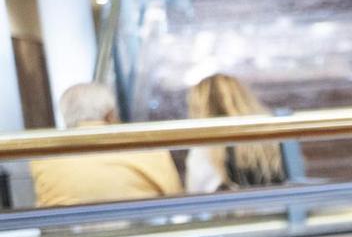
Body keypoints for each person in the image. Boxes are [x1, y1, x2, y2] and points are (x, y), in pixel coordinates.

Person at [29, 82, 184, 207]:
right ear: (110, 115)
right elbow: (176, 200)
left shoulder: (43, 159)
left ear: (66, 120)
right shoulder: (148, 148)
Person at [184, 73, 287, 193]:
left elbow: (197, 197)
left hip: (239, 209)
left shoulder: (205, 150)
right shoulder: (273, 138)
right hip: (284, 207)